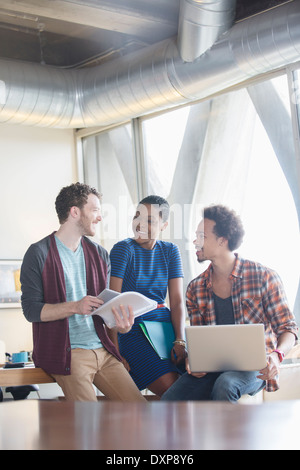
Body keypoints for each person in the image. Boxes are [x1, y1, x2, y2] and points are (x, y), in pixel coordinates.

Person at [20, 182, 146, 402]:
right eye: (95, 210)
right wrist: (75, 307)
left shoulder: (99, 254)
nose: (99, 217)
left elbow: (104, 312)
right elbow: (31, 310)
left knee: (139, 411)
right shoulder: (38, 253)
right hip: (68, 353)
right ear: (75, 212)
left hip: (104, 351)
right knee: (89, 421)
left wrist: (121, 325)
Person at [162, 204, 298, 402]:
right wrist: (194, 360)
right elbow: (201, 340)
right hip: (213, 369)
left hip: (255, 368)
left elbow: (288, 328)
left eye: (202, 236)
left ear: (222, 240)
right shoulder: (195, 288)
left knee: (226, 384)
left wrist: (276, 355)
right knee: (169, 400)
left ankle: (226, 435)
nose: (195, 241)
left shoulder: (264, 277)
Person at [109, 195, 186, 397]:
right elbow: (112, 305)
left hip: (164, 330)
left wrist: (180, 340)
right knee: (174, 391)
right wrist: (115, 353)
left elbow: (177, 302)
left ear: (164, 224)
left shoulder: (170, 251)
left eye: (150, 220)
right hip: (132, 329)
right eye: (137, 216)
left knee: (192, 384)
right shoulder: (123, 249)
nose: (140, 224)